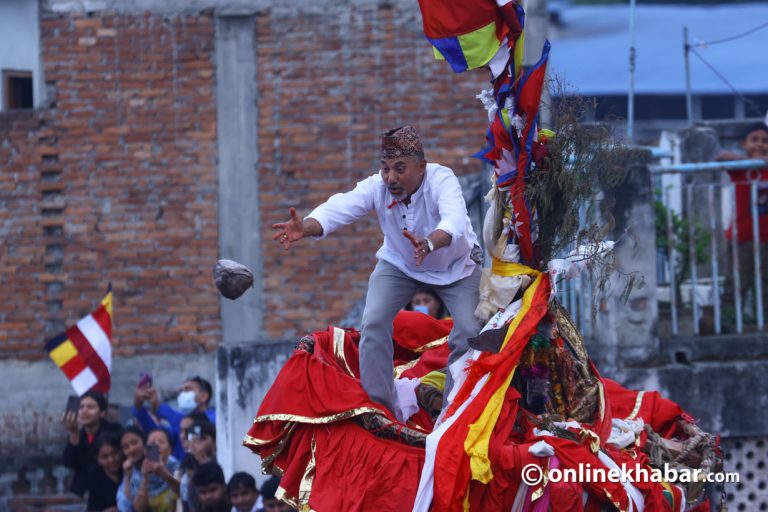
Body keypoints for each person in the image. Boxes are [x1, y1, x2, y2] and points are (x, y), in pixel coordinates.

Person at [272, 125, 482, 418]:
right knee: (372, 322)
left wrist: (430, 243)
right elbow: (341, 207)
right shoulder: (377, 187)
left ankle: (452, 412)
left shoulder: (441, 179)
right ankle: (380, 409)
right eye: (385, 169)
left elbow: (455, 222)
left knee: (471, 332)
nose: (391, 178)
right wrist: (304, 227)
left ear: (421, 167)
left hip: (456, 268)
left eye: (399, 168)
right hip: (399, 265)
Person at [718, 123, 768, 322]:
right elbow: (720, 156)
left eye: (765, 141)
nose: (760, 144)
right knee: (737, 285)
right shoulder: (741, 169)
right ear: (744, 144)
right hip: (743, 238)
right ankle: (729, 325)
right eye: (754, 140)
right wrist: (750, 162)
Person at [133, 376, 215, 461]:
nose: (182, 394)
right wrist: (138, 407)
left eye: (187, 389)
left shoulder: (216, 420)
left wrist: (159, 408)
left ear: (203, 396)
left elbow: (195, 422)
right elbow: (154, 431)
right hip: (179, 473)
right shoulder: (178, 429)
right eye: (181, 391)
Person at [62, 391, 124, 497]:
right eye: (81, 407)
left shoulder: (114, 430)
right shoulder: (79, 433)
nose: (85, 411)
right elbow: (70, 462)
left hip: (109, 490)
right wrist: (73, 433)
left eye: (90, 407)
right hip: (83, 491)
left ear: (102, 413)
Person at [118, 427, 180, 512]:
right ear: (146, 449)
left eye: (161, 442)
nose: (157, 445)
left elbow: (183, 492)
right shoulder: (137, 475)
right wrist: (145, 479)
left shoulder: (176, 467)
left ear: (170, 449)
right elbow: (138, 509)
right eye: (152, 443)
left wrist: (163, 473)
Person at [177, 418, 217, 511]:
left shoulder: (224, 463)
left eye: (202, 439)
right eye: (193, 440)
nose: (197, 444)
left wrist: (204, 462)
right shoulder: (186, 472)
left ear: (214, 441)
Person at [87, 433, 124, 511]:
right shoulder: (95, 475)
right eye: (105, 457)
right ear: (98, 459)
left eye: (114, 453)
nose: (111, 460)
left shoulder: (130, 470)